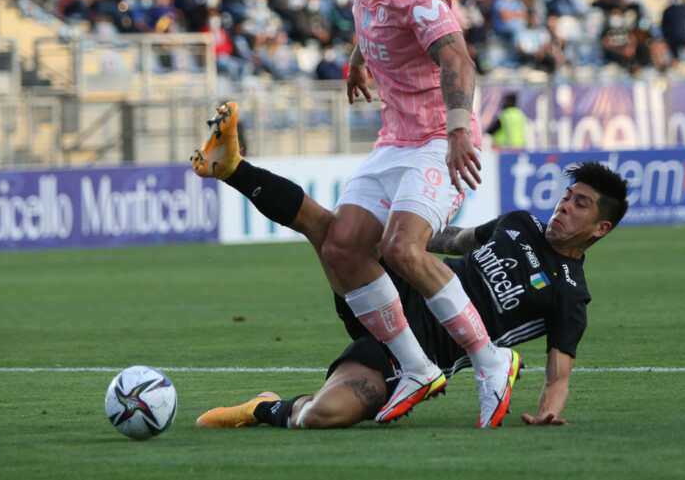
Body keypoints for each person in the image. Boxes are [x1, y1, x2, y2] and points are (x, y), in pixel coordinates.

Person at [190, 102, 629, 429]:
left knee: (321, 417)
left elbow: (558, 376)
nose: (563, 207)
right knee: (331, 231)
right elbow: (453, 240)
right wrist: (395, 238)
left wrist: (550, 411)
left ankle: (262, 407)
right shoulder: (520, 223)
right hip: (399, 290)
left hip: (419, 354)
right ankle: (232, 168)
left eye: (580, 205)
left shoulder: (570, 292)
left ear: (600, 227)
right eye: (567, 197)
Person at [320, 0, 518, 428]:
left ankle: (491, 360)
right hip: (395, 140)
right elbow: (369, 16)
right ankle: (415, 367)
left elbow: (458, 61)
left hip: (437, 139)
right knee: (340, 247)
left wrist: (458, 132)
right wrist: (358, 59)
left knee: (402, 248)